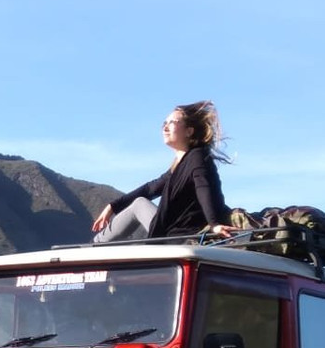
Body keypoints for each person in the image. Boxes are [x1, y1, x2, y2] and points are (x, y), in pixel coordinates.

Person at [92, 101, 235, 243]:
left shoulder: (197, 157)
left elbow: (204, 187)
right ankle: (96, 245)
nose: (165, 127)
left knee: (139, 204)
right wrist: (113, 206)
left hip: (180, 236)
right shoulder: (179, 166)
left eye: (172, 122)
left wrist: (214, 224)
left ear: (189, 131)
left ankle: (95, 246)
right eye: (164, 123)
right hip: (173, 233)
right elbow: (150, 188)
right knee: (139, 202)